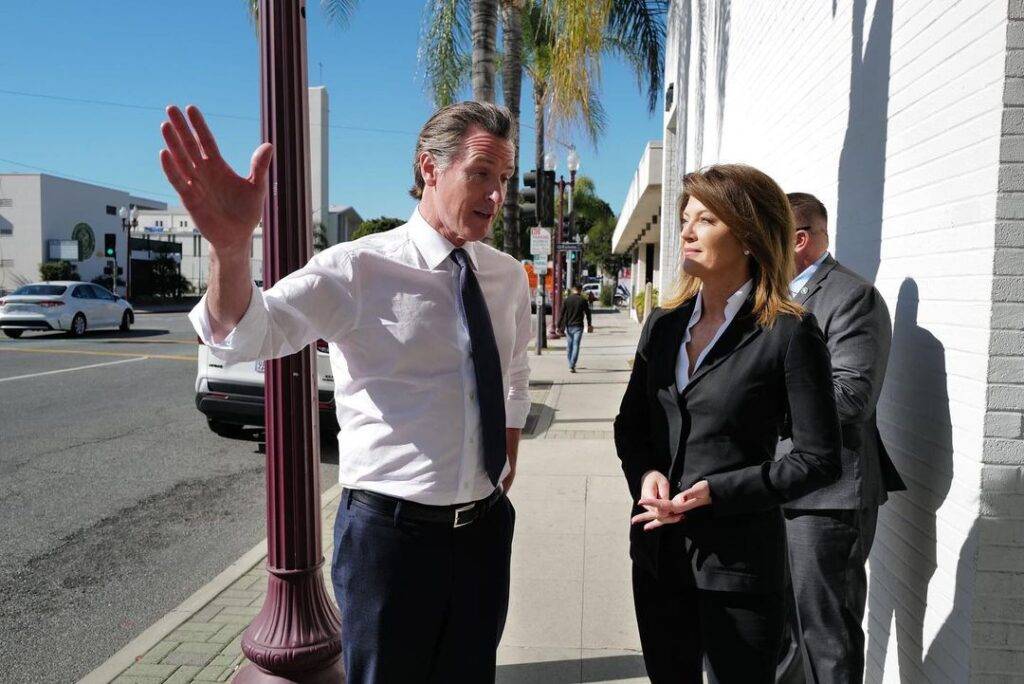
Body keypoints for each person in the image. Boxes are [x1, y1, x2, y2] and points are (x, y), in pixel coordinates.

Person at [161, 101, 531, 683]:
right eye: (481, 174)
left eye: (504, 179)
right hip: (391, 542)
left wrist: (505, 460)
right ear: (429, 168)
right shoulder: (359, 268)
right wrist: (231, 251)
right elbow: (248, 333)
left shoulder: (506, 276)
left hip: (483, 534)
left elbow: (512, 371)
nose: (496, 195)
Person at [613, 164, 842, 683]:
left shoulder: (788, 333)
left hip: (739, 568)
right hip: (657, 556)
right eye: (685, 218)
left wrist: (716, 491)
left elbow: (818, 459)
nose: (687, 231)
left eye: (706, 219)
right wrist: (646, 474)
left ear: (748, 234)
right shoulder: (663, 325)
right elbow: (632, 427)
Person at [776, 193, 906, 684]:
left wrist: (758, 395)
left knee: (826, 638)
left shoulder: (853, 296)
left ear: (799, 240)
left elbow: (852, 397)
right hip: (781, 486)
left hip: (828, 499)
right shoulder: (774, 296)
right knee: (785, 635)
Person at [558, 283, 593, 372]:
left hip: (569, 326)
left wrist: (558, 325)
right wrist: (589, 324)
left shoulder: (567, 300)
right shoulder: (583, 300)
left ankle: (571, 364)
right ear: (581, 290)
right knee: (576, 345)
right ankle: (572, 364)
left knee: (569, 346)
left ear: (573, 289)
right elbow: (588, 313)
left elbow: (562, 314)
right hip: (578, 326)